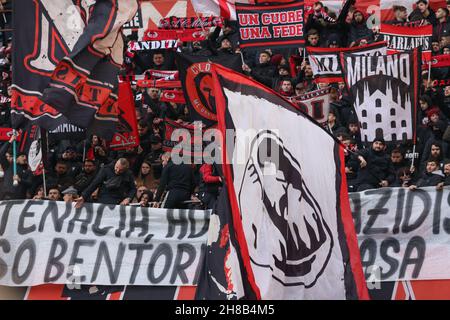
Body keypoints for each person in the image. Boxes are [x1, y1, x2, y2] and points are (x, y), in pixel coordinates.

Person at [0, 133, 31, 200]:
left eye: (26, 157)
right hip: (6, 197)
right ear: (16, 158)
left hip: (20, 200)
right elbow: (1, 154)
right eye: (22, 156)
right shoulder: (8, 166)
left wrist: (20, 180)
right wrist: (10, 141)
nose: (25, 158)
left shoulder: (28, 171)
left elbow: (30, 183)